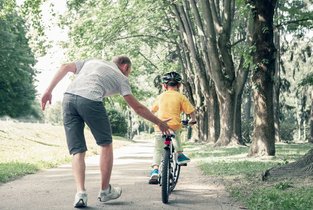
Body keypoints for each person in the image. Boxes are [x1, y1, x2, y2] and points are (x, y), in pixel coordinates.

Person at [41, 56, 170, 208]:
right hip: (90, 100)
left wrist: (48, 91)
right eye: (129, 71)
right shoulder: (121, 77)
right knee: (106, 144)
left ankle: (80, 193)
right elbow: (138, 108)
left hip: (68, 99)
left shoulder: (92, 61)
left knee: (77, 150)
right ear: (125, 67)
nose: (128, 74)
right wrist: (159, 122)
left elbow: (64, 66)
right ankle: (105, 190)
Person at [149, 71, 196, 184]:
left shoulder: (160, 97)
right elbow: (191, 111)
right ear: (179, 85)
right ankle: (179, 155)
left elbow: (152, 110)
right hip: (174, 125)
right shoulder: (181, 97)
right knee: (176, 136)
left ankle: (155, 170)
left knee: (158, 149)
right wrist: (192, 120)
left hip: (160, 125)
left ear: (164, 86)